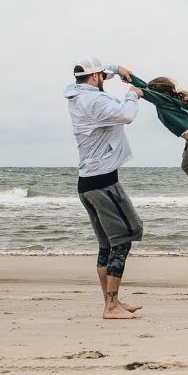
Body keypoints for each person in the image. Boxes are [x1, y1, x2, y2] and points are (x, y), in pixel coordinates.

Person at [64, 56, 145, 320]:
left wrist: (115, 69)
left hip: (88, 183)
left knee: (106, 245)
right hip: (104, 183)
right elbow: (126, 115)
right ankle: (110, 306)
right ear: (95, 78)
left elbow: (97, 78)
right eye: (102, 75)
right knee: (126, 236)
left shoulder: (77, 92)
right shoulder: (96, 102)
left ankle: (113, 301)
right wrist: (133, 95)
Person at [125, 74, 188, 200]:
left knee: (186, 166)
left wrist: (136, 91)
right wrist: (129, 76)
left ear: (159, 93)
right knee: (187, 158)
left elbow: (144, 92)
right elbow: (146, 88)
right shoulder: (166, 99)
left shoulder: (164, 100)